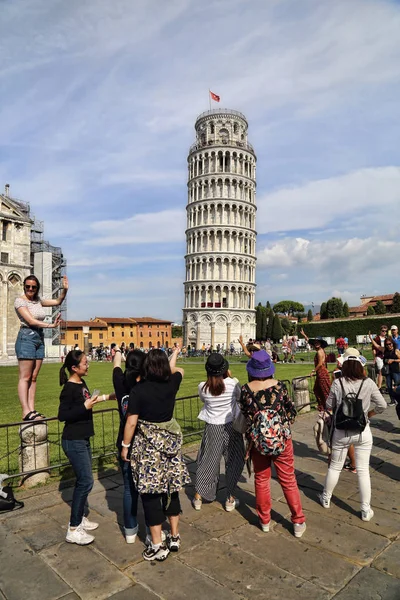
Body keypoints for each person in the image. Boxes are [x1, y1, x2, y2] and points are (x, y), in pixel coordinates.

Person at [121, 347, 191, 562]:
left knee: (151, 494)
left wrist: (125, 445)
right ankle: (175, 535)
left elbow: (132, 421)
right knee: (171, 489)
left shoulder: (139, 390)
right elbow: (179, 370)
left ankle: (158, 544)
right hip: (170, 444)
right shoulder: (171, 383)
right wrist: (175, 355)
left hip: (148, 449)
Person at [238, 350, 306, 537]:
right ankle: (298, 521)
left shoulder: (245, 390)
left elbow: (244, 415)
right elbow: (292, 413)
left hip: (257, 442)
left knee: (261, 479)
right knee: (288, 479)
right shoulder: (280, 387)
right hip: (283, 440)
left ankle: (265, 520)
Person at [318, 349, 387, 521]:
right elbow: (383, 405)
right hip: (363, 430)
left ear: (345, 366)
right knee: (363, 470)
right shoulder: (369, 383)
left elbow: (328, 404)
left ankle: (326, 497)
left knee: (335, 466)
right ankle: (365, 509)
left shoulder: (338, 382)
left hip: (341, 430)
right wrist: (369, 414)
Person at [58, 350, 114, 545]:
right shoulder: (69, 388)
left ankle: (80, 517)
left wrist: (109, 397)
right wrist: (84, 407)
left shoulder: (81, 383)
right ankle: (73, 528)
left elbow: (90, 400)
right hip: (73, 440)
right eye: (84, 363)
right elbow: (63, 414)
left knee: (83, 481)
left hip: (82, 438)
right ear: (74, 368)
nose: (87, 364)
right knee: (86, 482)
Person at [193, 353, 245, 512]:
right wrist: (229, 377)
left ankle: (199, 496)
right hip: (231, 426)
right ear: (225, 369)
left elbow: (204, 400)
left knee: (208, 461)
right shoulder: (232, 383)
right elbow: (239, 397)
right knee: (234, 460)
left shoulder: (203, 387)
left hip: (212, 426)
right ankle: (230, 498)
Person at [15, 274, 68, 421]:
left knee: (33, 377)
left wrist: (64, 290)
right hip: (26, 337)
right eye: (27, 286)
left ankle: (32, 409)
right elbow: (31, 320)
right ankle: (25, 411)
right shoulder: (20, 301)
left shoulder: (38, 301)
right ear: (24, 286)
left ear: (37, 288)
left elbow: (58, 301)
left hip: (39, 338)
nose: (30, 289)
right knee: (25, 377)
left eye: (33, 287)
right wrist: (51, 325)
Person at [112, 344, 145, 543]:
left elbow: (116, 364)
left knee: (128, 489)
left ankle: (130, 530)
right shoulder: (146, 385)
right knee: (149, 487)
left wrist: (118, 352)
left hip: (125, 441)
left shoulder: (120, 382)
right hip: (144, 441)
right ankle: (152, 531)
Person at [300, 329, 331, 411]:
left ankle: (328, 406)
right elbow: (310, 342)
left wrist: (313, 371)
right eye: (315, 342)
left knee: (325, 390)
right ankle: (322, 405)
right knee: (317, 389)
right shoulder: (320, 350)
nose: (316, 343)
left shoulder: (319, 352)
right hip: (321, 373)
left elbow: (320, 363)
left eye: (318, 342)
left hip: (322, 373)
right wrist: (304, 335)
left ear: (321, 343)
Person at [383, 338, 400, 404]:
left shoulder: (396, 351)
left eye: (390, 344)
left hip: (395, 370)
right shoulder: (385, 351)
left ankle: (398, 399)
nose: (388, 346)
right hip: (387, 371)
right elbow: (377, 346)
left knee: (397, 385)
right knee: (389, 386)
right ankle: (392, 400)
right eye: (387, 344)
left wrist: (393, 360)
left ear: (393, 344)